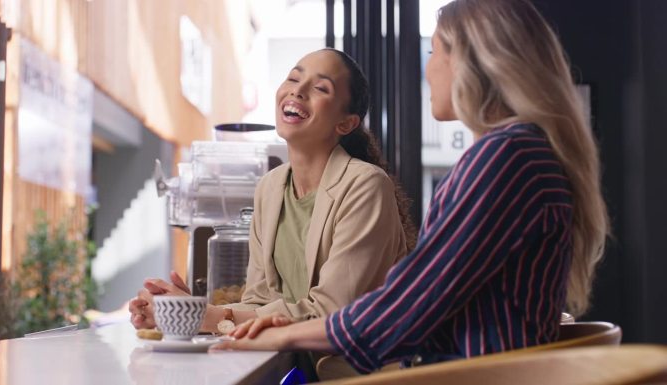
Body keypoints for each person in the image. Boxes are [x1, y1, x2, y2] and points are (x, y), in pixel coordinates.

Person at [214, 0, 610, 375]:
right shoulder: (522, 154)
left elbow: (409, 305)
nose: (429, 69)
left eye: (435, 53)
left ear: (473, 63)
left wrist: (283, 333)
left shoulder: (506, 157)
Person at [129, 49, 416, 336]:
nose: (298, 91)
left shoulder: (365, 186)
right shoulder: (270, 187)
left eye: (320, 88)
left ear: (346, 123)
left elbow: (331, 313)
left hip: (351, 375)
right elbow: (259, 301)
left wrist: (209, 316)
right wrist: (185, 312)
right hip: (287, 365)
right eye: (293, 78)